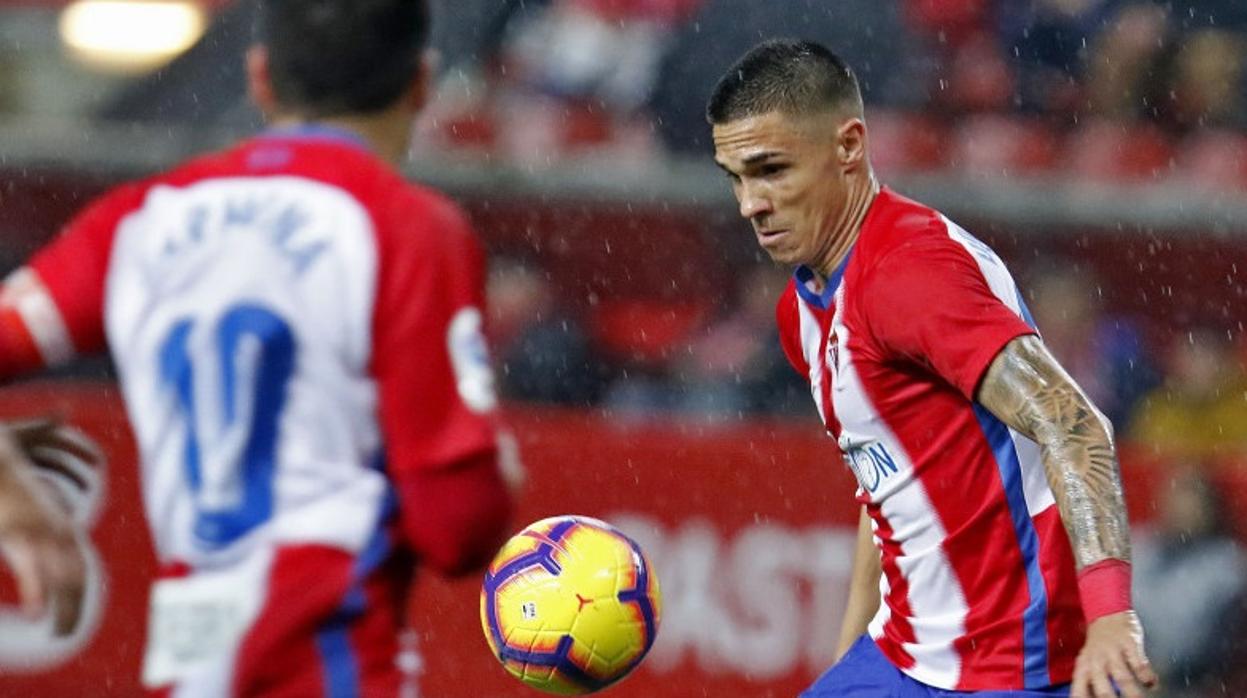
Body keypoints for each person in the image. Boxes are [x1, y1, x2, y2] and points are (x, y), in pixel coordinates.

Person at [0, 1, 517, 695]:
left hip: (197, 654)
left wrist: (7, 487)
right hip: (326, 653)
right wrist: (494, 475)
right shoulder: (406, 228)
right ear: (421, 83)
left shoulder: (140, 221)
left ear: (259, 78)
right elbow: (456, 528)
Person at [707, 40, 1158, 697]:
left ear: (848, 147)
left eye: (770, 170)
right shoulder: (802, 311)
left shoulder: (911, 275)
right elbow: (885, 487)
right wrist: (847, 666)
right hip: (905, 658)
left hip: (1019, 668)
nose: (750, 203)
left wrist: (1111, 617)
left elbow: (1074, 423)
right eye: (736, 178)